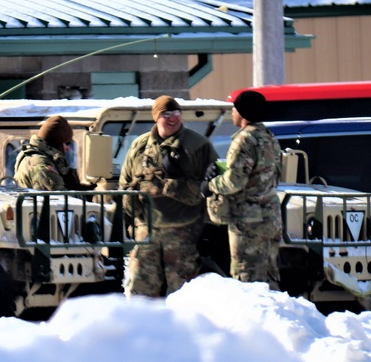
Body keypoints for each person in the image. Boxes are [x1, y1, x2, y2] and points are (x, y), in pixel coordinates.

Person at [119, 95, 219, 297]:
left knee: (182, 292)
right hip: (146, 231)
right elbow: (125, 183)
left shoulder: (198, 145)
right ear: (156, 117)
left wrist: (174, 183)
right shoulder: (140, 146)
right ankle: (144, 329)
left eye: (176, 113)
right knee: (140, 290)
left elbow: (211, 186)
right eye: (166, 114)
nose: (173, 118)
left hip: (183, 230)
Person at [202, 89, 282, 288]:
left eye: (234, 109)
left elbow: (234, 182)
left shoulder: (244, 140)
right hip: (271, 215)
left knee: (247, 276)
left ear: (243, 113)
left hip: (248, 220)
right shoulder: (269, 137)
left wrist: (209, 185)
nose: (232, 113)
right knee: (269, 272)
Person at [13, 115, 83, 190]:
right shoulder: (41, 164)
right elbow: (59, 198)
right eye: (67, 143)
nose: (68, 148)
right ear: (57, 144)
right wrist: (83, 196)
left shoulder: (36, 158)